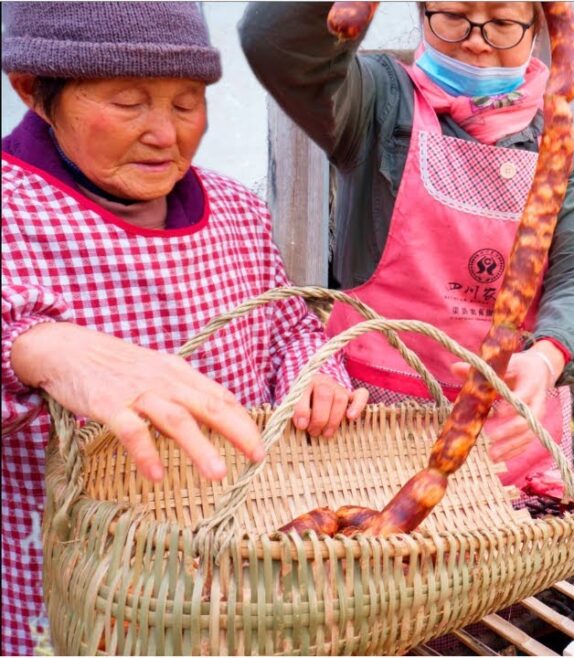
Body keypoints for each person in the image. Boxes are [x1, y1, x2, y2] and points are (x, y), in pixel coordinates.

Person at [1, 4, 368, 653]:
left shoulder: (235, 211)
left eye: (187, 103)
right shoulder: (12, 208)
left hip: (234, 581)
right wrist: (36, 345)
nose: (165, 135)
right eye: (128, 102)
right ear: (33, 89)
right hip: (70, 598)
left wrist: (315, 375)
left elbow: (286, 328)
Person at [239, 2, 574, 482]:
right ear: (422, 13)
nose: (477, 39)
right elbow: (273, 43)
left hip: (508, 431)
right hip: (373, 428)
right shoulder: (377, 102)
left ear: (535, 27)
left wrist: (548, 357)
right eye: (454, 15)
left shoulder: (559, 135)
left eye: (502, 23)